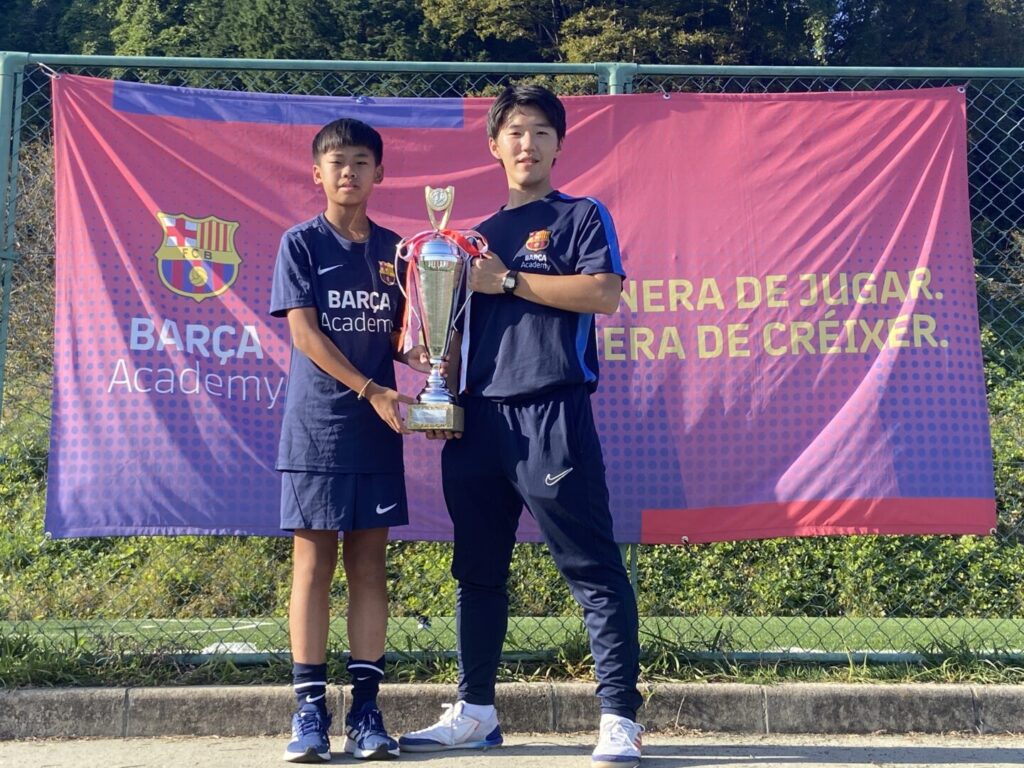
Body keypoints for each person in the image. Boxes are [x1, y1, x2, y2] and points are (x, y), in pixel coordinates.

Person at [398, 85, 644, 768]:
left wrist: (508, 282)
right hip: (477, 420)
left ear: (559, 144)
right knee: (477, 572)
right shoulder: (469, 239)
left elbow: (604, 293)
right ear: (494, 145)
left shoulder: (579, 215)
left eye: (539, 131)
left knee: (591, 567)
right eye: (514, 132)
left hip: (551, 413)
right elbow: (454, 330)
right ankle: (475, 711)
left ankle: (619, 716)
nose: (526, 144)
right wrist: (437, 381)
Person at [270, 117, 428, 763]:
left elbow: (402, 336)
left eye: (361, 162)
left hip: (377, 431)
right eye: (337, 162)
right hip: (319, 428)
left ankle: (366, 713)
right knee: (313, 566)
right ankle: (309, 712)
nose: (349, 172)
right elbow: (305, 334)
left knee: (368, 566)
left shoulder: (397, 251)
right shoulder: (301, 244)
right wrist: (372, 390)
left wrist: (428, 361)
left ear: (379, 173)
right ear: (318, 173)